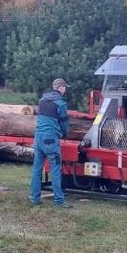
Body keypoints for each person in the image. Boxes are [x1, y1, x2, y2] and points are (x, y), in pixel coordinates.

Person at [30, 78, 72, 208]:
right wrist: (66, 133)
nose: (65, 90)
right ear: (60, 87)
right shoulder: (60, 103)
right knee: (55, 169)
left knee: (37, 169)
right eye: (65, 87)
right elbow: (64, 123)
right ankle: (59, 200)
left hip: (38, 138)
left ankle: (34, 198)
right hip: (51, 140)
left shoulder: (42, 100)